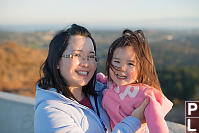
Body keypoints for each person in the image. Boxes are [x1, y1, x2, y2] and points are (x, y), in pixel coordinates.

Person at [34, 24, 149, 133]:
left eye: (91, 56)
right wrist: (134, 122)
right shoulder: (50, 112)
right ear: (57, 61)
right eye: (77, 55)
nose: (86, 63)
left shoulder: (102, 93)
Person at [96, 29, 173, 133]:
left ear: (142, 68)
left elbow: (157, 125)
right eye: (116, 61)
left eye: (130, 64)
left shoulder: (144, 95)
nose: (122, 68)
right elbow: (105, 81)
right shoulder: (112, 83)